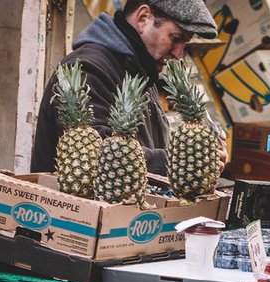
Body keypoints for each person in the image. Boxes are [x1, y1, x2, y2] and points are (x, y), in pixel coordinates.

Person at [31, 0, 219, 176]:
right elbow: (98, 157)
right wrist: (183, 161)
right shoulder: (88, 69)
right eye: (176, 38)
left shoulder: (142, 71)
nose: (178, 54)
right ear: (143, 18)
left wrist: (199, 156)